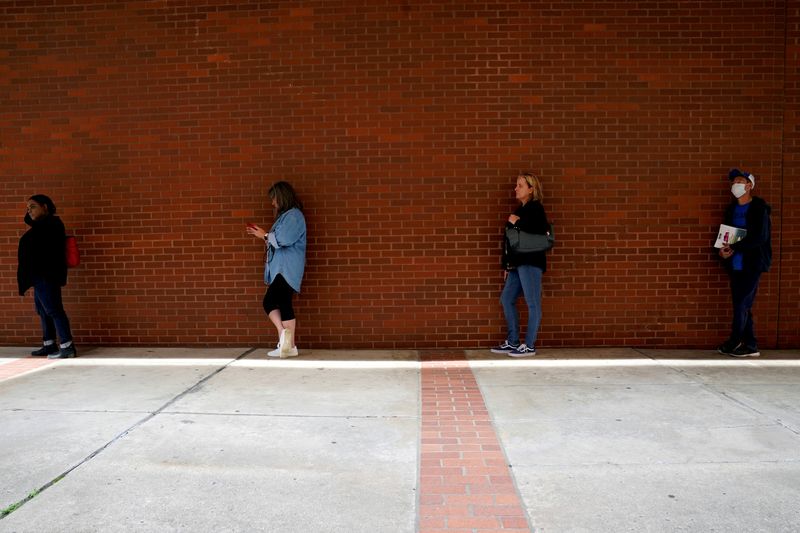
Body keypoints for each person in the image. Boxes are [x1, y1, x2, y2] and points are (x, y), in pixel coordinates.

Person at [491, 172, 550, 357]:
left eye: (520, 185)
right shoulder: (518, 211)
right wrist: (507, 266)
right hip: (516, 264)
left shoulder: (536, 209)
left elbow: (539, 233)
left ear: (531, 189)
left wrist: (517, 224)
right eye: (516, 185)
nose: (515, 188)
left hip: (531, 263)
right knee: (506, 299)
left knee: (533, 303)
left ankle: (529, 345)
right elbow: (509, 242)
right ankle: (513, 341)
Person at [247, 182, 307, 358]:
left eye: (274, 199)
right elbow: (276, 240)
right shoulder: (287, 216)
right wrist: (263, 235)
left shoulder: (294, 216)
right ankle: (290, 345)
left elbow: (284, 239)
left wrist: (264, 235)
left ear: (281, 197)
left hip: (286, 267)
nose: (273, 203)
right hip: (281, 267)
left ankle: (284, 338)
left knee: (272, 301)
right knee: (281, 302)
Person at [716, 169, 772, 357]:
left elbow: (760, 237)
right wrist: (722, 251)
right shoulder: (731, 209)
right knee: (742, 305)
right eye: (733, 182)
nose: (735, 185)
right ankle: (750, 344)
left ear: (749, 186)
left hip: (752, 264)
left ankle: (735, 341)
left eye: (740, 181)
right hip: (735, 264)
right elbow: (725, 235)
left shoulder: (759, 209)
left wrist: (735, 246)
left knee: (741, 304)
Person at [17, 194, 77, 359]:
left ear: (45, 206)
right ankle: (49, 344)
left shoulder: (52, 224)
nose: (29, 211)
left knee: (54, 310)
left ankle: (67, 346)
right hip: (39, 276)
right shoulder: (40, 226)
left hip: (47, 275)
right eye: (27, 208)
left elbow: (45, 251)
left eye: (33, 206)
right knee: (43, 311)